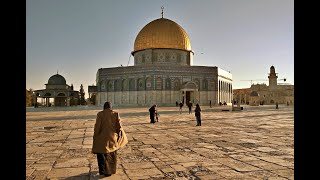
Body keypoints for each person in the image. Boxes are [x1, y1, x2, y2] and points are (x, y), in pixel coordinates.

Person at [92, 102, 128, 177]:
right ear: (111, 107)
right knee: (112, 154)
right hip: (113, 137)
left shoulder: (100, 114)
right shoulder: (115, 114)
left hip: (102, 137)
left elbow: (97, 127)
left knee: (102, 154)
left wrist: (95, 136)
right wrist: (119, 135)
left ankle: (104, 171)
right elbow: (119, 127)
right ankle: (111, 170)